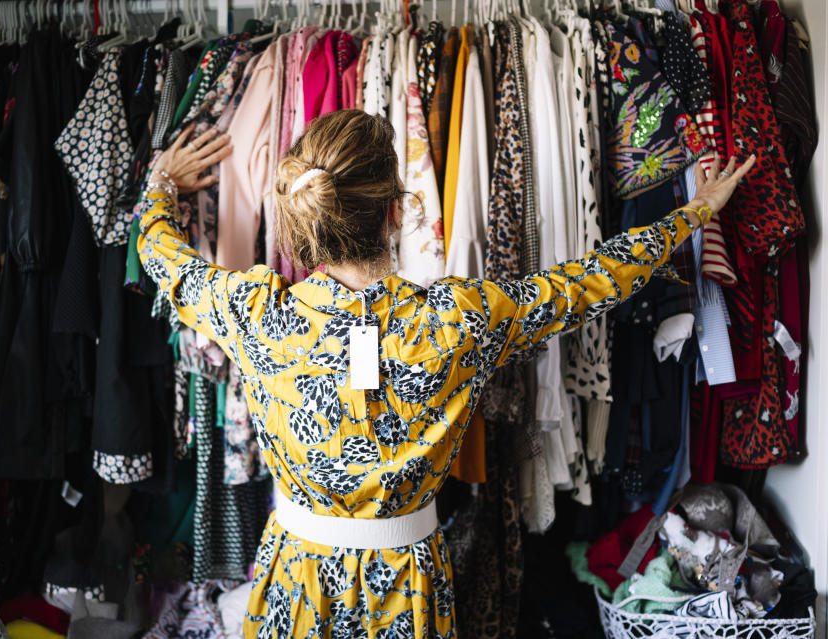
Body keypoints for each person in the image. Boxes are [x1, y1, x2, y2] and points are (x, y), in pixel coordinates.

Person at [139, 109, 755, 638]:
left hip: (297, 580)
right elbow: (589, 282)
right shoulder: (457, 322)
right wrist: (692, 214)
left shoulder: (256, 312)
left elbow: (159, 251)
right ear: (395, 213)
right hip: (406, 584)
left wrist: (162, 183)